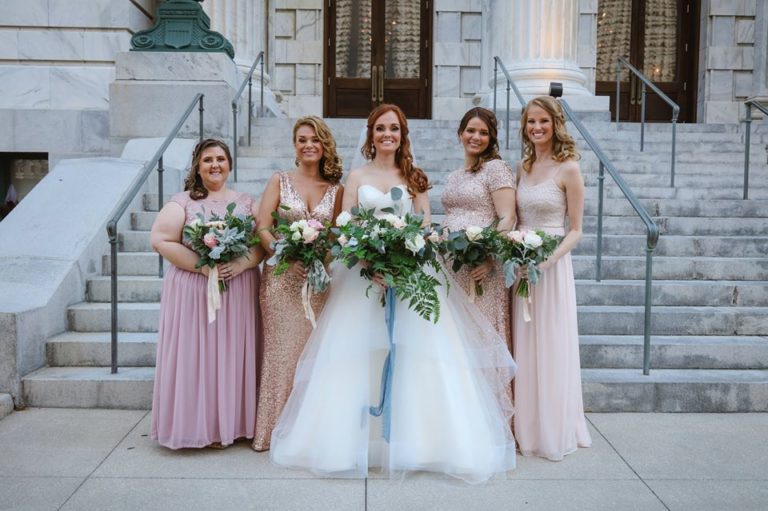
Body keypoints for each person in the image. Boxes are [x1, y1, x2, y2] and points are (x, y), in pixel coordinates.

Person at [269, 104, 517, 484]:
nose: (388, 134)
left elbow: (425, 226)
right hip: (363, 278)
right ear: (371, 134)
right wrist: (369, 264)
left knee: (418, 356)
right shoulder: (356, 176)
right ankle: (349, 443)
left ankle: (422, 444)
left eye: (395, 129)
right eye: (382, 128)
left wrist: (405, 258)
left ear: (403, 135)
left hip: (411, 275)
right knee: (356, 355)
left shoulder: (414, 177)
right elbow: (345, 226)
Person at [150, 138, 263, 449]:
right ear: (197, 168)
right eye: (208, 160)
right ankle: (199, 426)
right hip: (195, 291)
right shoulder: (182, 202)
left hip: (237, 289)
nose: (215, 165)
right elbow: (160, 239)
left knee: (231, 355)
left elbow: (263, 243)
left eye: (221, 159)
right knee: (197, 357)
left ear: (229, 165)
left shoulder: (246, 202)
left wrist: (241, 264)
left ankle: (235, 423)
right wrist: (203, 267)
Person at [252, 116, 343, 451]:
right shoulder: (279, 180)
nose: (308, 145)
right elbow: (262, 226)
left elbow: (337, 237)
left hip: (317, 284)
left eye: (315, 140)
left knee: (313, 355)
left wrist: (320, 259)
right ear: (295, 145)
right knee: (281, 354)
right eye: (302, 139)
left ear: (324, 146)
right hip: (279, 281)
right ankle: (271, 431)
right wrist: (284, 254)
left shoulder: (336, 191)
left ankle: (308, 432)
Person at [513, 96, 592, 460]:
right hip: (521, 267)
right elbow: (513, 219)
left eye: (543, 121)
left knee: (551, 346)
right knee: (525, 348)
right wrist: (513, 251)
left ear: (555, 123)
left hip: (552, 268)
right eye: (531, 122)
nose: (536, 128)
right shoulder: (523, 167)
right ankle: (527, 431)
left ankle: (554, 429)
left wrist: (547, 260)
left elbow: (575, 230)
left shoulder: (569, 169)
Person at [441, 107, 517, 346]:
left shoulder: (496, 169)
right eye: (470, 130)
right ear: (460, 133)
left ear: (491, 137)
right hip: (452, 267)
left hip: (481, 269)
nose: (476, 137)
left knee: (481, 335)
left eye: (483, 133)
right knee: (457, 337)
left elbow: (507, 217)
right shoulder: (454, 175)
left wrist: (490, 259)